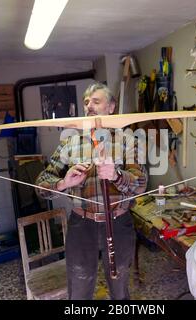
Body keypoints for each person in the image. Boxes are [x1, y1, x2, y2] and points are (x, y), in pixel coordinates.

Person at [35, 82, 147, 300]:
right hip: (81, 225)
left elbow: (140, 184)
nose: (89, 106)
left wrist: (116, 175)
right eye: (86, 102)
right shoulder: (70, 143)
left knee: (120, 288)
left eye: (96, 101)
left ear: (111, 107)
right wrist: (63, 183)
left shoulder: (128, 141)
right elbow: (42, 183)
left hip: (118, 223)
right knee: (78, 291)